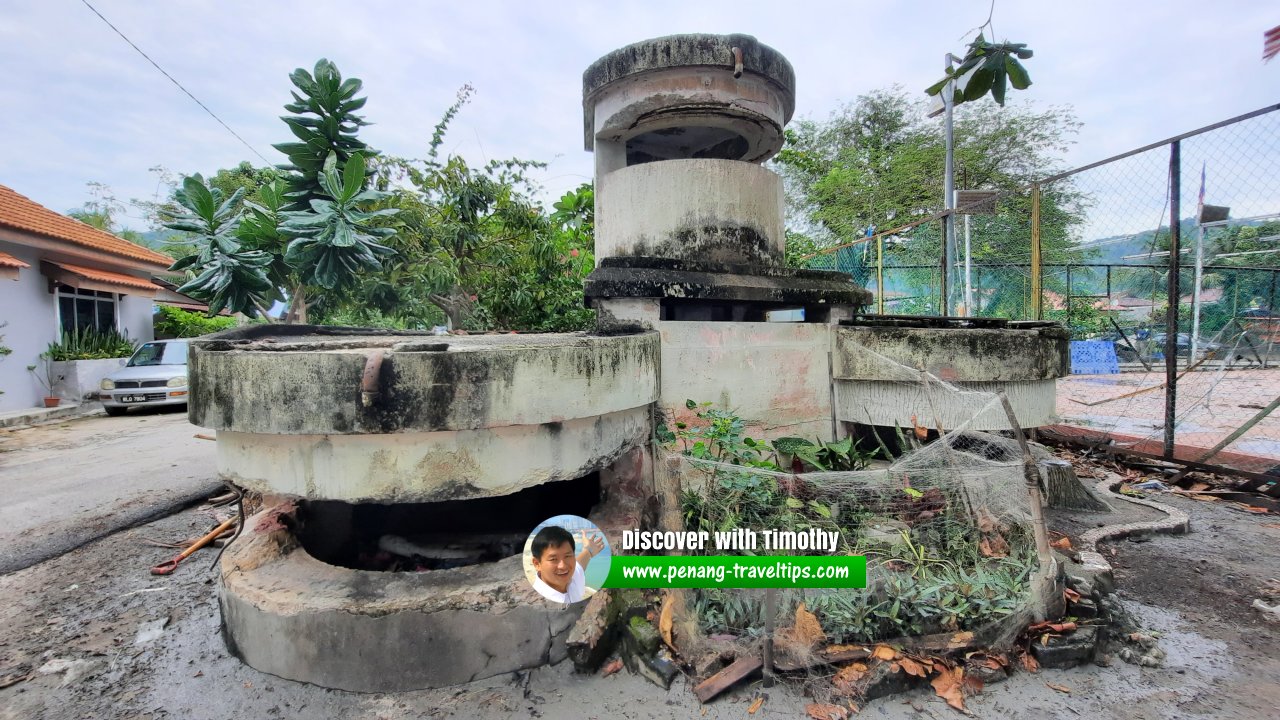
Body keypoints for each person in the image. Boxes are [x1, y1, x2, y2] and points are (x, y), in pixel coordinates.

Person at [529, 525, 604, 604]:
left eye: (567, 556)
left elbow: (579, 564)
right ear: (537, 564)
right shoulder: (540, 601)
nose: (563, 566)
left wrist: (589, 550)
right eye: (553, 559)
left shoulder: (572, 578)